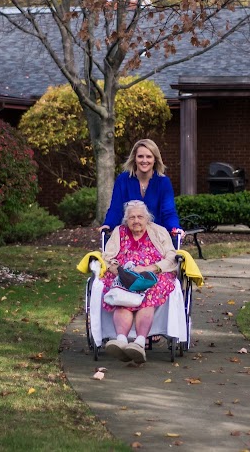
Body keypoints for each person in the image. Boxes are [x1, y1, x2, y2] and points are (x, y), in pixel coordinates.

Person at [101, 200, 178, 364]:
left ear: (147, 218)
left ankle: (139, 343)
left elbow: (172, 256)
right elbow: (107, 257)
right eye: (132, 217)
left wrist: (152, 268)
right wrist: (118, 269)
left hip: (153, 274)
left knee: (148, 292)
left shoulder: (159, 231)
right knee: (121, 292)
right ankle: (121, 341)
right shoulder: (119, 232)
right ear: (126, 220)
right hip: (125, 273)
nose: (136, 221)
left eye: (140, 217)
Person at [100, 139, 182, 235]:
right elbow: (116, 209)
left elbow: (168, 212)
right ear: (134, 158)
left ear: (155, 159)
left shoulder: (163, 182)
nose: (144, 160)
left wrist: (175, 228)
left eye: (149, 157)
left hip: (156, 238)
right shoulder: (122, 180)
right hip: (128, 238)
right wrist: (108, 224)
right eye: (140, 156)